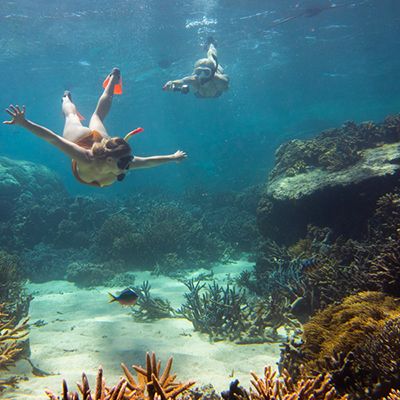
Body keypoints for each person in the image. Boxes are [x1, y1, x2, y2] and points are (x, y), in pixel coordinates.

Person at [3, 68, 187, 188]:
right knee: (71, 116)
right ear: (108, 160)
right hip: (80, 139)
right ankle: (66, 97)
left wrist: (173, 157)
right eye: (125, 163)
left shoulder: (122, 160)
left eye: (128, 162)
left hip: (102, 141)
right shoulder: (85, 157)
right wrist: (24, 123)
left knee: (97, 115)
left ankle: (113, 79)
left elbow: (148, 161)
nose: (128, 167)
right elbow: (53, 139)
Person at [163, 37, 229, 98]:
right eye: (199, 72)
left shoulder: (219, 79)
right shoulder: (194, 79)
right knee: (191, 86)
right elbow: (182, 81)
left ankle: (211, 46)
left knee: (211, 56)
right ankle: (210, 48)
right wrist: (171, 83)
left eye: (206, 72)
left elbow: (226, 83)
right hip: (200, 92)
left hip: (215, 89)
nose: (202, 75)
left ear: (212, 74)